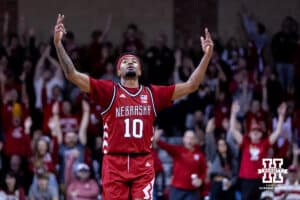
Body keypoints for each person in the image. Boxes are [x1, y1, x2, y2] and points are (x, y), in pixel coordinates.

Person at [53, 13, 213, 200]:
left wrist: (207, 56)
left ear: (139, 70)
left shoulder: (152, 94)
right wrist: (58, 44)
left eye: (134, 62)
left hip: (142, 161)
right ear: (118, 70)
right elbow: (72, 74)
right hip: (114, 162)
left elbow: (191, 85)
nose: (130, 63)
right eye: (125, 62)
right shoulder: (109, 91)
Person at [229, 101, 287, 200]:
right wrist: (233, 113)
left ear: (261, 134)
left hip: (261, 179)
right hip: (246, 179)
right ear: (249, 134)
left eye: (258, 131)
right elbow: (233, 130)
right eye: (253, 131)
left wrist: (281, 116)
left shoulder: (264, 144)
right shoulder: (245, 142)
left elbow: (277, 132)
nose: (255, 133)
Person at [154, 129, 207, 200]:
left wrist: (200, 180)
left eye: (192, 138)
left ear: (195, 140)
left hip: (193, 191)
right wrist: (157, 139)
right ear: (184, 139)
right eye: (187, 137)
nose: (189, 140)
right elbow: (165, 146)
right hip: (177, 189)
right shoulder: (178, 150)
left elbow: (204, 171)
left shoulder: (200, 155)